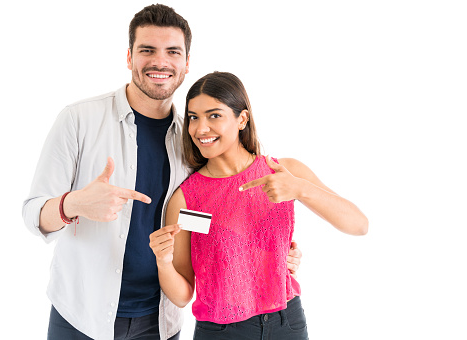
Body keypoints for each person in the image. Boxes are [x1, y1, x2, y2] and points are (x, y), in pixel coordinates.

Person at [22, 4, 302, 340]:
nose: (160, 62)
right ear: (129, 58)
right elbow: (32, 214)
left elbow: (201, 220)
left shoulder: (197, 143)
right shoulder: (79, 119)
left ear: (186, 64)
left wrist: (268, 249)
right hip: (81, 317)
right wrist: (73, 204)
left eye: (172, 51)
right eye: (147, 50)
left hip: (160, 322)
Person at [149, 72, 369, 339]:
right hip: (222, 332)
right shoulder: (187, 199)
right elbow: (183, 296)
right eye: (194, 117)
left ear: (242, 119)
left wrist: (301, 188)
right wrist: (163, 262)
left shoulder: (283, 171)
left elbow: (359, 225)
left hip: (287, 322)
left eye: (214, 115)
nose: (200, 128)